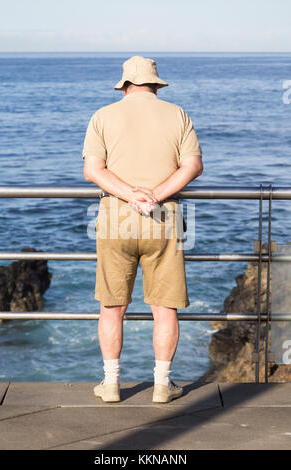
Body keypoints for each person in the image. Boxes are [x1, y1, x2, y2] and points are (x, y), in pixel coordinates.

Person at [82, 56, 203, 403]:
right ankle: (163, 385)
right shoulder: (177, 114)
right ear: (156, 84)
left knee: (111, 306)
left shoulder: (103, 116)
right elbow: (193, 165)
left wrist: (130, 195)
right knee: (164, 308)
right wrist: (154, 196)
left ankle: (111, 384)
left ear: (123, 86)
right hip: (163, 220)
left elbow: (93, 170)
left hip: (115, 221)